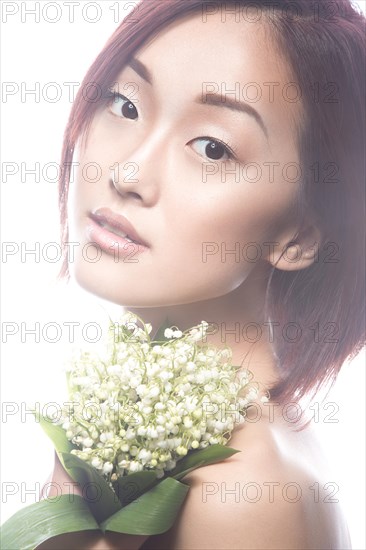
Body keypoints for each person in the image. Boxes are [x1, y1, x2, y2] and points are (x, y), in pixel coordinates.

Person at [38, 0, 365, 548]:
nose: (127, 173)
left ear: (302, 235)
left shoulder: (240, 491)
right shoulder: (156, 431)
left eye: (211, 147)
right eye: (124, 103)